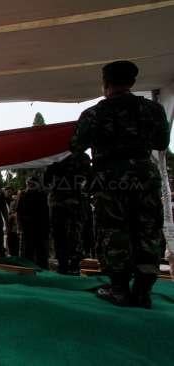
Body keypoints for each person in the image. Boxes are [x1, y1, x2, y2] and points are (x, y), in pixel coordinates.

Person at [71, 60, 170, 308]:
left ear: (105, 83)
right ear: (132, 82)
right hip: (144, 176)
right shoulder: (153, 110)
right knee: (147, 229)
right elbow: (160, 142)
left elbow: (76, 145)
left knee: (114, 231)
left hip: (110, 178)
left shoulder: (94, 114)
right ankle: (143, 291)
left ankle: (119, 289)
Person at [44, 152, 91, 274]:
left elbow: (47, 180)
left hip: (60, 201)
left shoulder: (57, 156)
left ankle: (64, 265)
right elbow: (89, 178)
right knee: (74, 234)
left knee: (61, 234)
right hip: (74, 201)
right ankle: (73, 265)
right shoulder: (83, 157)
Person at [16, 176, 50, 269]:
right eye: (28, 183)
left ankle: (43, 272)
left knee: (42, 253)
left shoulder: (43, 195)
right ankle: (26, 271)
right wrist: (19, 227)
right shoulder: (22, 195)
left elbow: (47, 212)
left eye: (32, 183)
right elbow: (18, 212)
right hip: (27, 228)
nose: (29, 185)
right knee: (26, 252)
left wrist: (48, 228)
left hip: (41, 228)